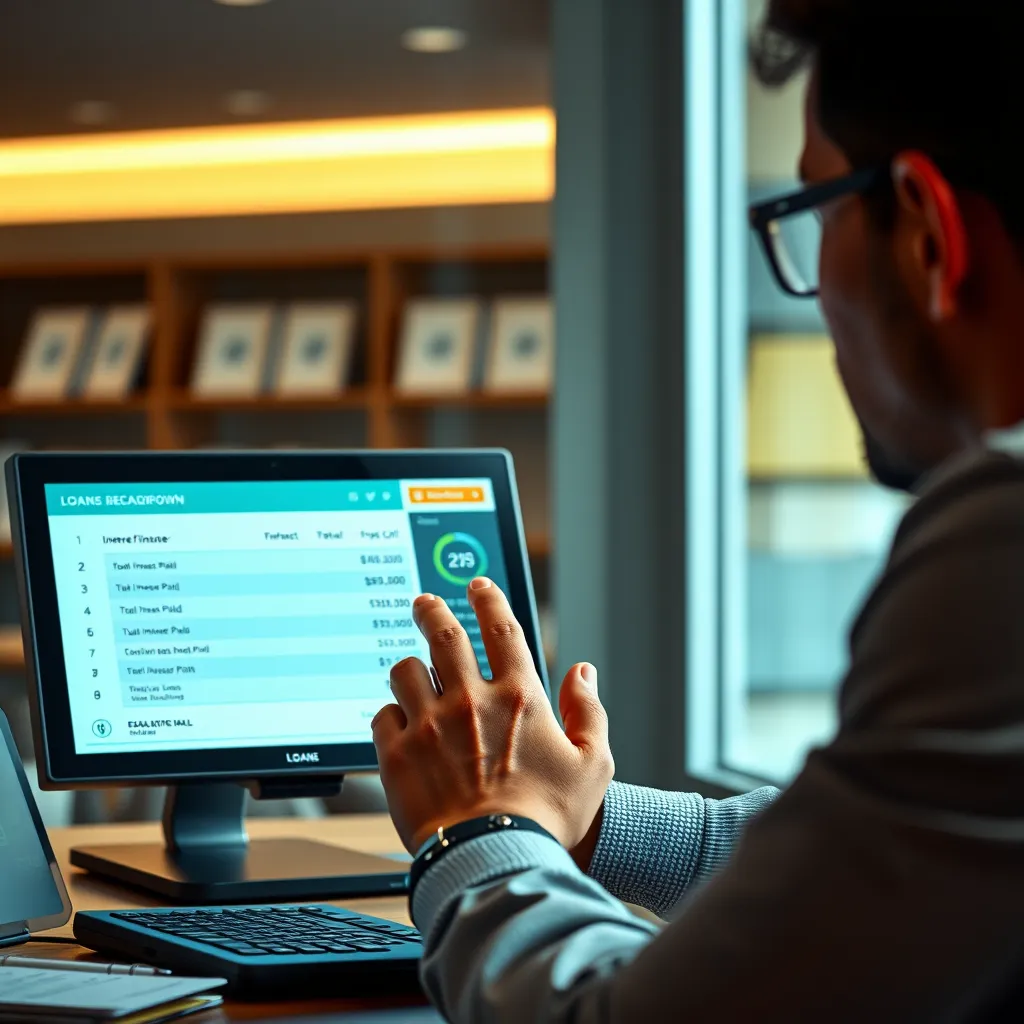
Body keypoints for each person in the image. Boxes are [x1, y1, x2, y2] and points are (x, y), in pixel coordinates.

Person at [370, 2, 1024, 1019]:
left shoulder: (1002, 541)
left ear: (925, 231)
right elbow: (870, 852)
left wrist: (477, 834)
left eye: (813, 214)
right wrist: (578, 816)